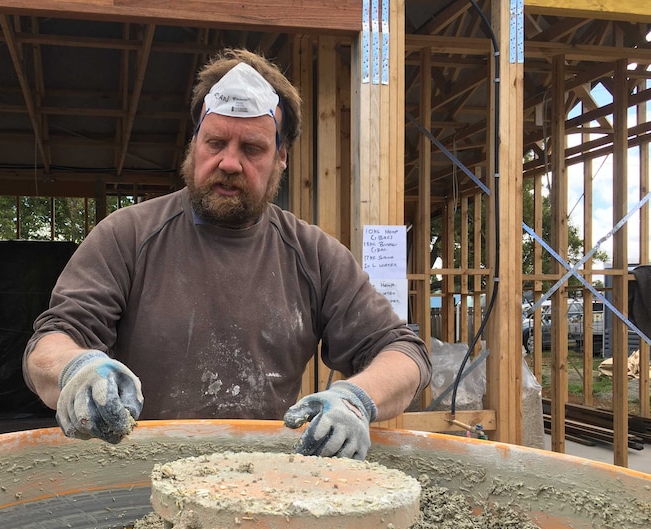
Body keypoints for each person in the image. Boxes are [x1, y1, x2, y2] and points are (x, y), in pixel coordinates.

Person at [23, 48, 431, 461]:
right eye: (215, 142)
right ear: (195, 143)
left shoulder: (313, 255)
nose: (229, 163)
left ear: (281, 157)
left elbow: (403, 353)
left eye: (252, 149)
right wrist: (77, 369)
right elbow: (52, 341)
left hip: (263, 486)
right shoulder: (127, 236)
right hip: (139, 481)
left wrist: (356, 399)